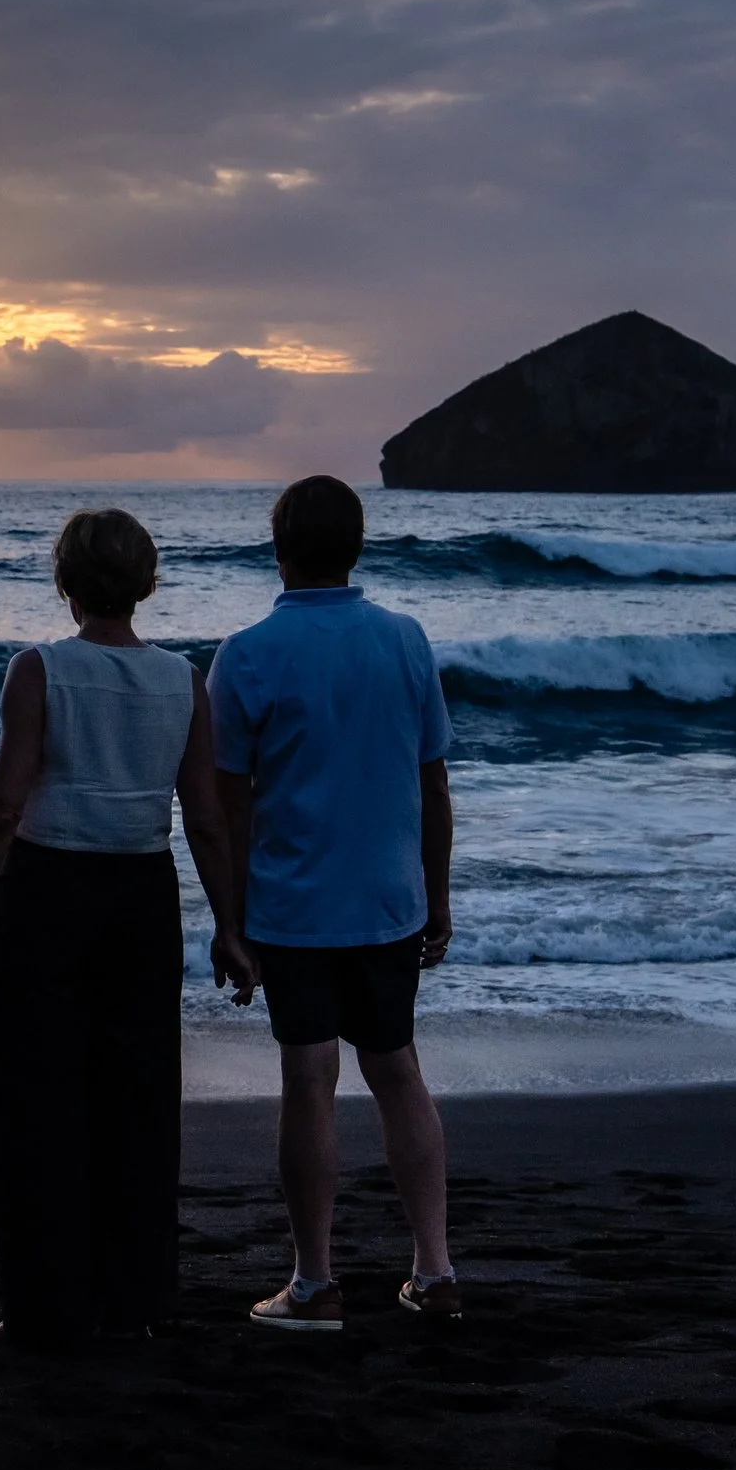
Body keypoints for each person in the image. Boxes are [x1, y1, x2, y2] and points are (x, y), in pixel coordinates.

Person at [0, 509, 254, 1347]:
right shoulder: (183, 679)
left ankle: (45, 1302)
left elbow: (4, 806)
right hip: (142, 897)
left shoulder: (38, 671)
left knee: (33, 1099)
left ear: (65, 582)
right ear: (144, 584)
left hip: (47, 892)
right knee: (138, 1100)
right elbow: (208, 819)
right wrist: (230, 925)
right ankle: (137, 1296)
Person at [206, 475, 461, 1327]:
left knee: (308, 1079)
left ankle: (314, 1280)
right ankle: (433, 1267)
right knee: (398, 1070)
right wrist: (439, 894)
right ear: (356, 547)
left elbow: (228, 802)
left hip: (294, 902)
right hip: (391, 895)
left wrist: (229, 918)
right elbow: (433, 783)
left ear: (277, 549)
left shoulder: (245, 653)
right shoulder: (404, 639)